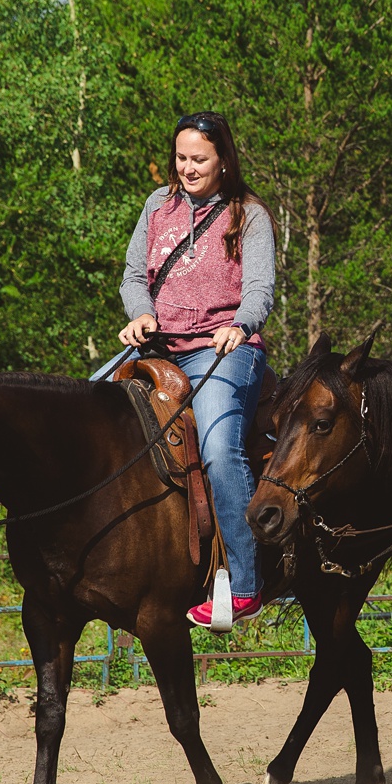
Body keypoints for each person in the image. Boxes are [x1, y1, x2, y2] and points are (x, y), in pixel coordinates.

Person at [118, 111, 275, 628]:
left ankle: (248, 584)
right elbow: (132, 276)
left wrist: (241, 324)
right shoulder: (156, 207)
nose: (187, 168)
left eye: (199, 159)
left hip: (223, 349)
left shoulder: (248, 214)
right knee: (86, 412)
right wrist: (139, 313)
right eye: (181, 158)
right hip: (157, 349)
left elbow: (259, 290)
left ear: (224, 161)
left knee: (216, 447)